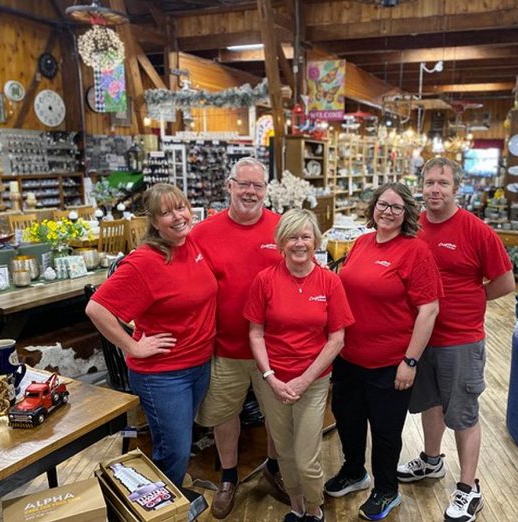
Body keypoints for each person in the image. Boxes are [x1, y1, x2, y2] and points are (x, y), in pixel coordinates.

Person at [397, 157, 515, 522]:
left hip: (460, 338)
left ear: (456, 188)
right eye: (429, 182)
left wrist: (468, 299)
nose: (435, 189)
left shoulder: (476, 230)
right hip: (421, 337)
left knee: (462, 413)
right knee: (430, 403)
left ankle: (469, 487)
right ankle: (432, 461)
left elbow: (505, 283)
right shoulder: (414, 227)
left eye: (442, 183)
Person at [86, 183, 217, 488]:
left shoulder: (191, 245)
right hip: (164, 374)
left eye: (180, 207)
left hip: (198, 365)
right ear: (155, 222)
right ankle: (160, 508)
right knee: (175, 450)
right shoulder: (144, 262)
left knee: (176, 446)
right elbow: (97, 309)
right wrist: (133, 346)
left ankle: (169, 497)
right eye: (166, 212)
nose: (177, 216)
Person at [325, 182, 442, 520]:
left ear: (406, 214)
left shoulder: (415, 251)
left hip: (390, 362)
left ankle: (386, 490)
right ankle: (354, 471)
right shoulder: (361, 242)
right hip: (349, 357)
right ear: (373, 207)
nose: (387, 211)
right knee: (348, 420)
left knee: (386, 430)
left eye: (395, 207)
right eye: (382, 204)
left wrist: (410, 361)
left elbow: (428, 310)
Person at [244, 209, 355, 522]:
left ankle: (315, 508)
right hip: (272, 381)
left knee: (307, 458)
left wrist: (304, 380)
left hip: (313, 380)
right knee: (285, 451)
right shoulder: (265, 280)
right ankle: (296, 506)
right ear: (281, 242)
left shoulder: (330, 282)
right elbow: (255, 333)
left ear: (316, 241)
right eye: (292, 236)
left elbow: (337, 339)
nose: (299, 243)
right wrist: (270, 377)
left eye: (306, 236)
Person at [191, 157, 286, 519]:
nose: (250, 191)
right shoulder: (202, 232)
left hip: (275, 348)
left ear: (266, 190)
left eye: (257, 186)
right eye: (243, 184)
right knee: (224, 415)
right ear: (229, 186)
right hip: (225, 347)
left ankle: (274, 470)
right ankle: (228, 478)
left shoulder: (282, 227)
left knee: (277, 415)